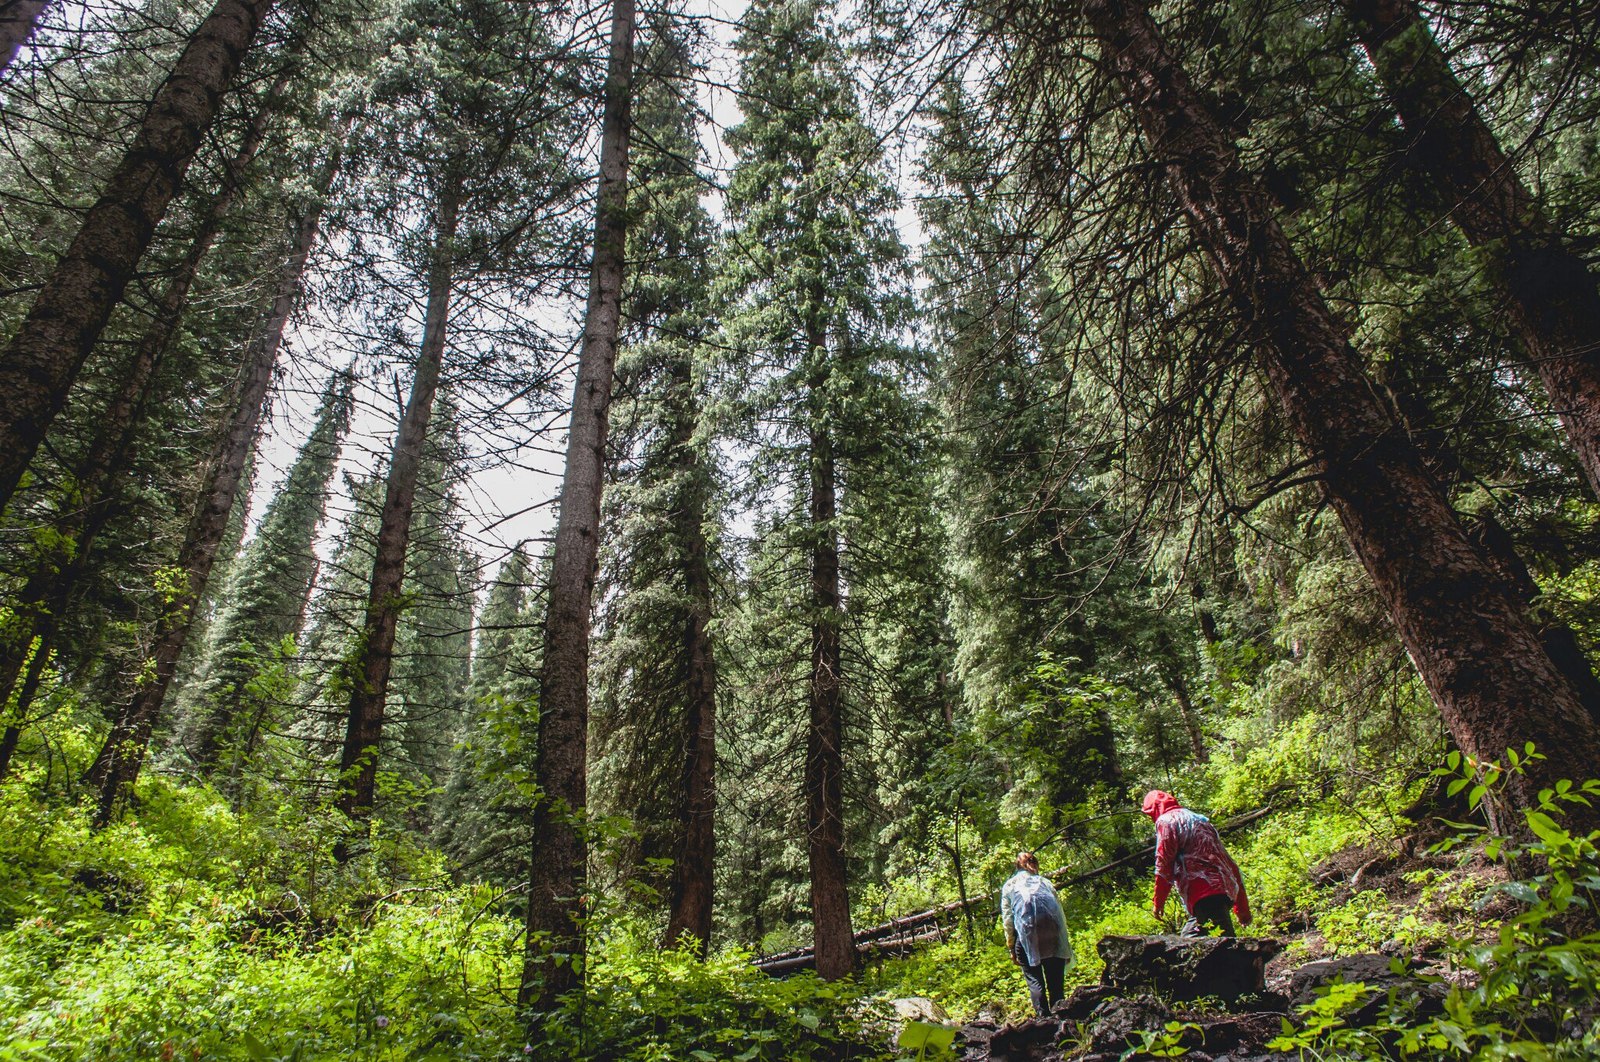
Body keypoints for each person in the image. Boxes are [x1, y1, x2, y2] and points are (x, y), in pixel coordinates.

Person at [1141, 790, 1252, 937]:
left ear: (1154, 809)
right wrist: (1242, 908)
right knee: (1188, 942)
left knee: (1225, 944)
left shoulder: (1166, 822)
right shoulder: (1200, 820)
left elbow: (1164, 865)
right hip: (1222, 888)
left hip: (1204, 891)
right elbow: (1228, 862)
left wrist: (1158, 903)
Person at [1000, 851, 1073, 1017]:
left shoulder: (1010, 885)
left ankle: (1044, 1020)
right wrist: (1065, 945)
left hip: (1026, 937)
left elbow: (1008, 919)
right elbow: (1060, 914)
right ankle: (1060, 1017)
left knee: (1035, 980)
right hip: (1054, 935)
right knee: (1055, 981)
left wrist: (1011, 946)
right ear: (1035, 865)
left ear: (1017, 867)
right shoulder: (1045, 882)